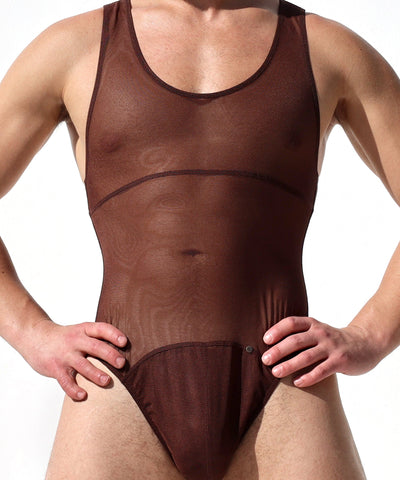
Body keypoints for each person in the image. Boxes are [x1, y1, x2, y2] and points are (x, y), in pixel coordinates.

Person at [0, 0, 399, 478]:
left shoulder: (328, 49)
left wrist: (371, 335)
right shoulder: (72, 48)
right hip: (119, 387)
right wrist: (31, 333)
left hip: (283, 386)